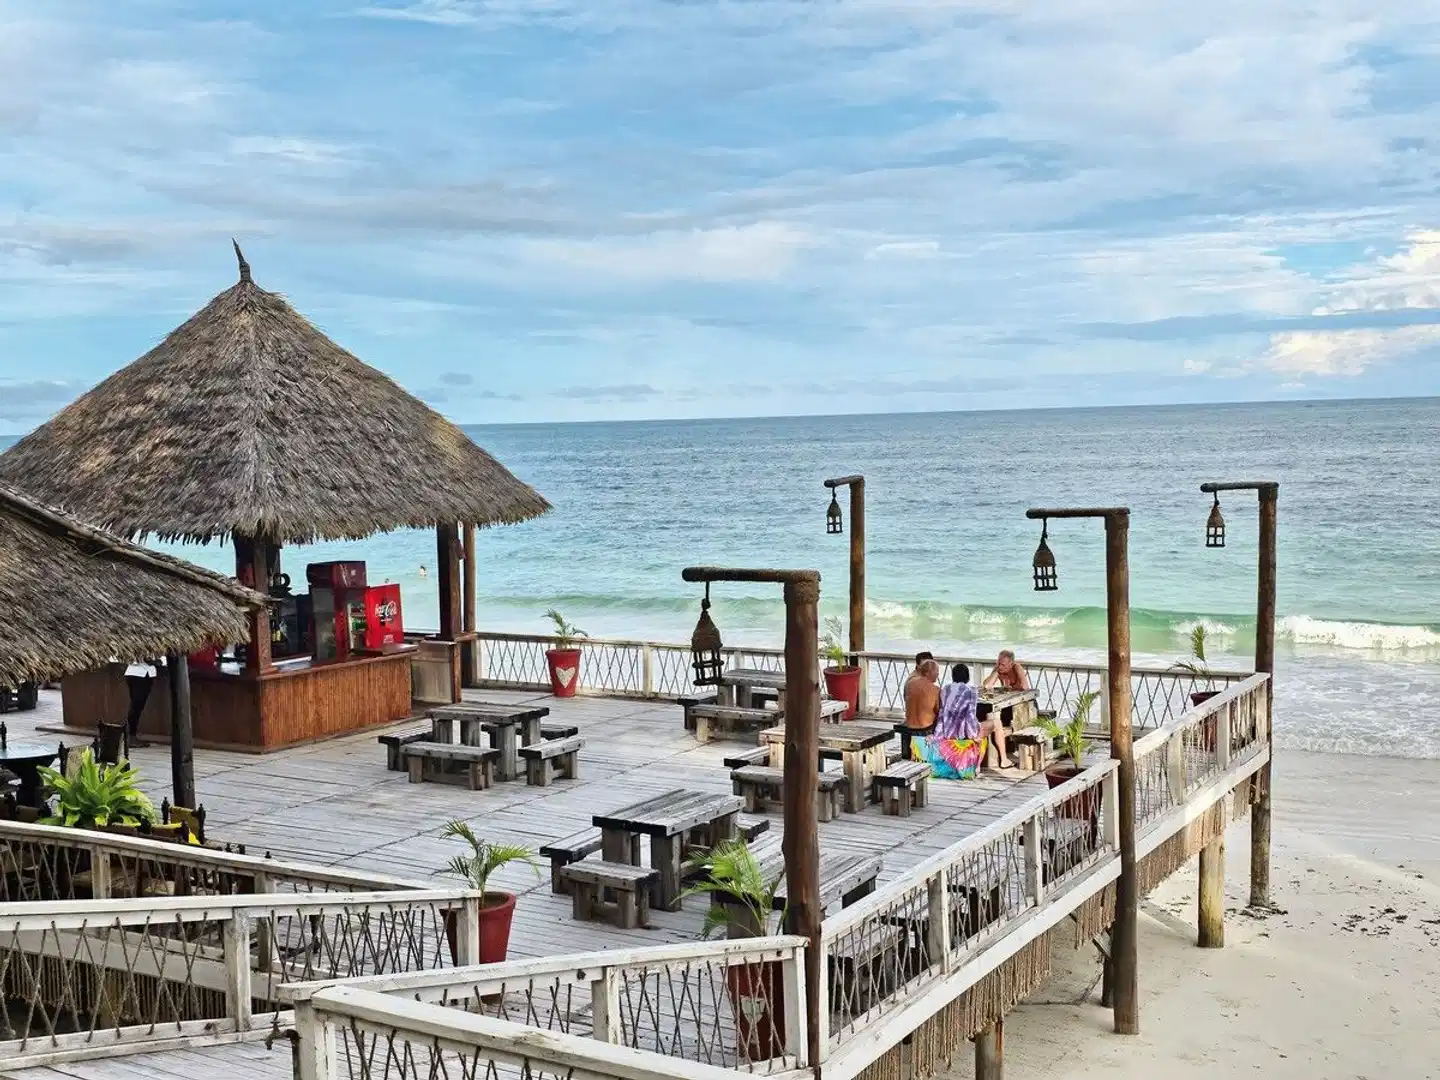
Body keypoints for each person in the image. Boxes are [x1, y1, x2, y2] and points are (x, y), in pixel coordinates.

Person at [123, 657, 159, 747]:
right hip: (139, 674)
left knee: (137, 707)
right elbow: (145, 657)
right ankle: (131, 737)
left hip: (139, 673)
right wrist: (154, 662)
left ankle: (131, 736)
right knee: (136, 706)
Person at [903, 652, 940, 733]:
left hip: (910, 725)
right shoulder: (935, 689)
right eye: (936, 671)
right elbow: (939, 710)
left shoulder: (910, 683)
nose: (938, 674)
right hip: (925, 728)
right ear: (927, 672)